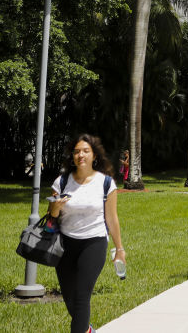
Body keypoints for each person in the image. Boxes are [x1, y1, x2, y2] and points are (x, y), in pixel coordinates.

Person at [48, 134, 124, 333]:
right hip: (64, 245)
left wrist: (119, 248)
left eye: (85, 151)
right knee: (70, 299)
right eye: (76, 151)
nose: (80, 155)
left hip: (94, 243)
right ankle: (88, 330)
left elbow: (112, 219)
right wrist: (55, 206)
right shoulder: (62, 181)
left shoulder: (106, 183)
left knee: (82, 297)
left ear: (94, 156)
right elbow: (52, 216)